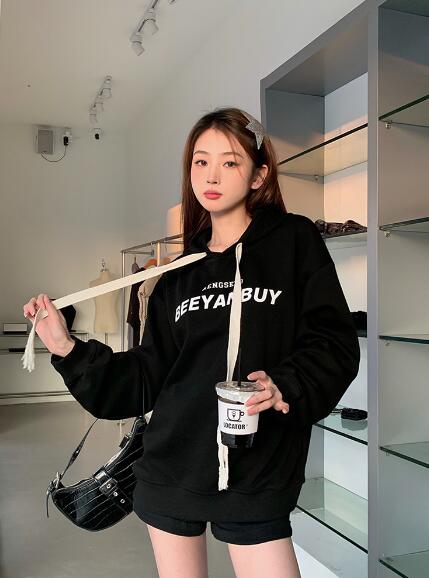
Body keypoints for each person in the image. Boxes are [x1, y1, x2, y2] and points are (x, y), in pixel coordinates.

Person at [23, 107, 360, 578]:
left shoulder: (294, 241)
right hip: (172, 469)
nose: (211, 175)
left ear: (259, 175)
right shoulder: (178, 272)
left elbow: (334, 340)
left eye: (230, 161)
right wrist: (67, 349)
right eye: (201, 162)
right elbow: (145, 377)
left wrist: (286, 383)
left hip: (258, 471)